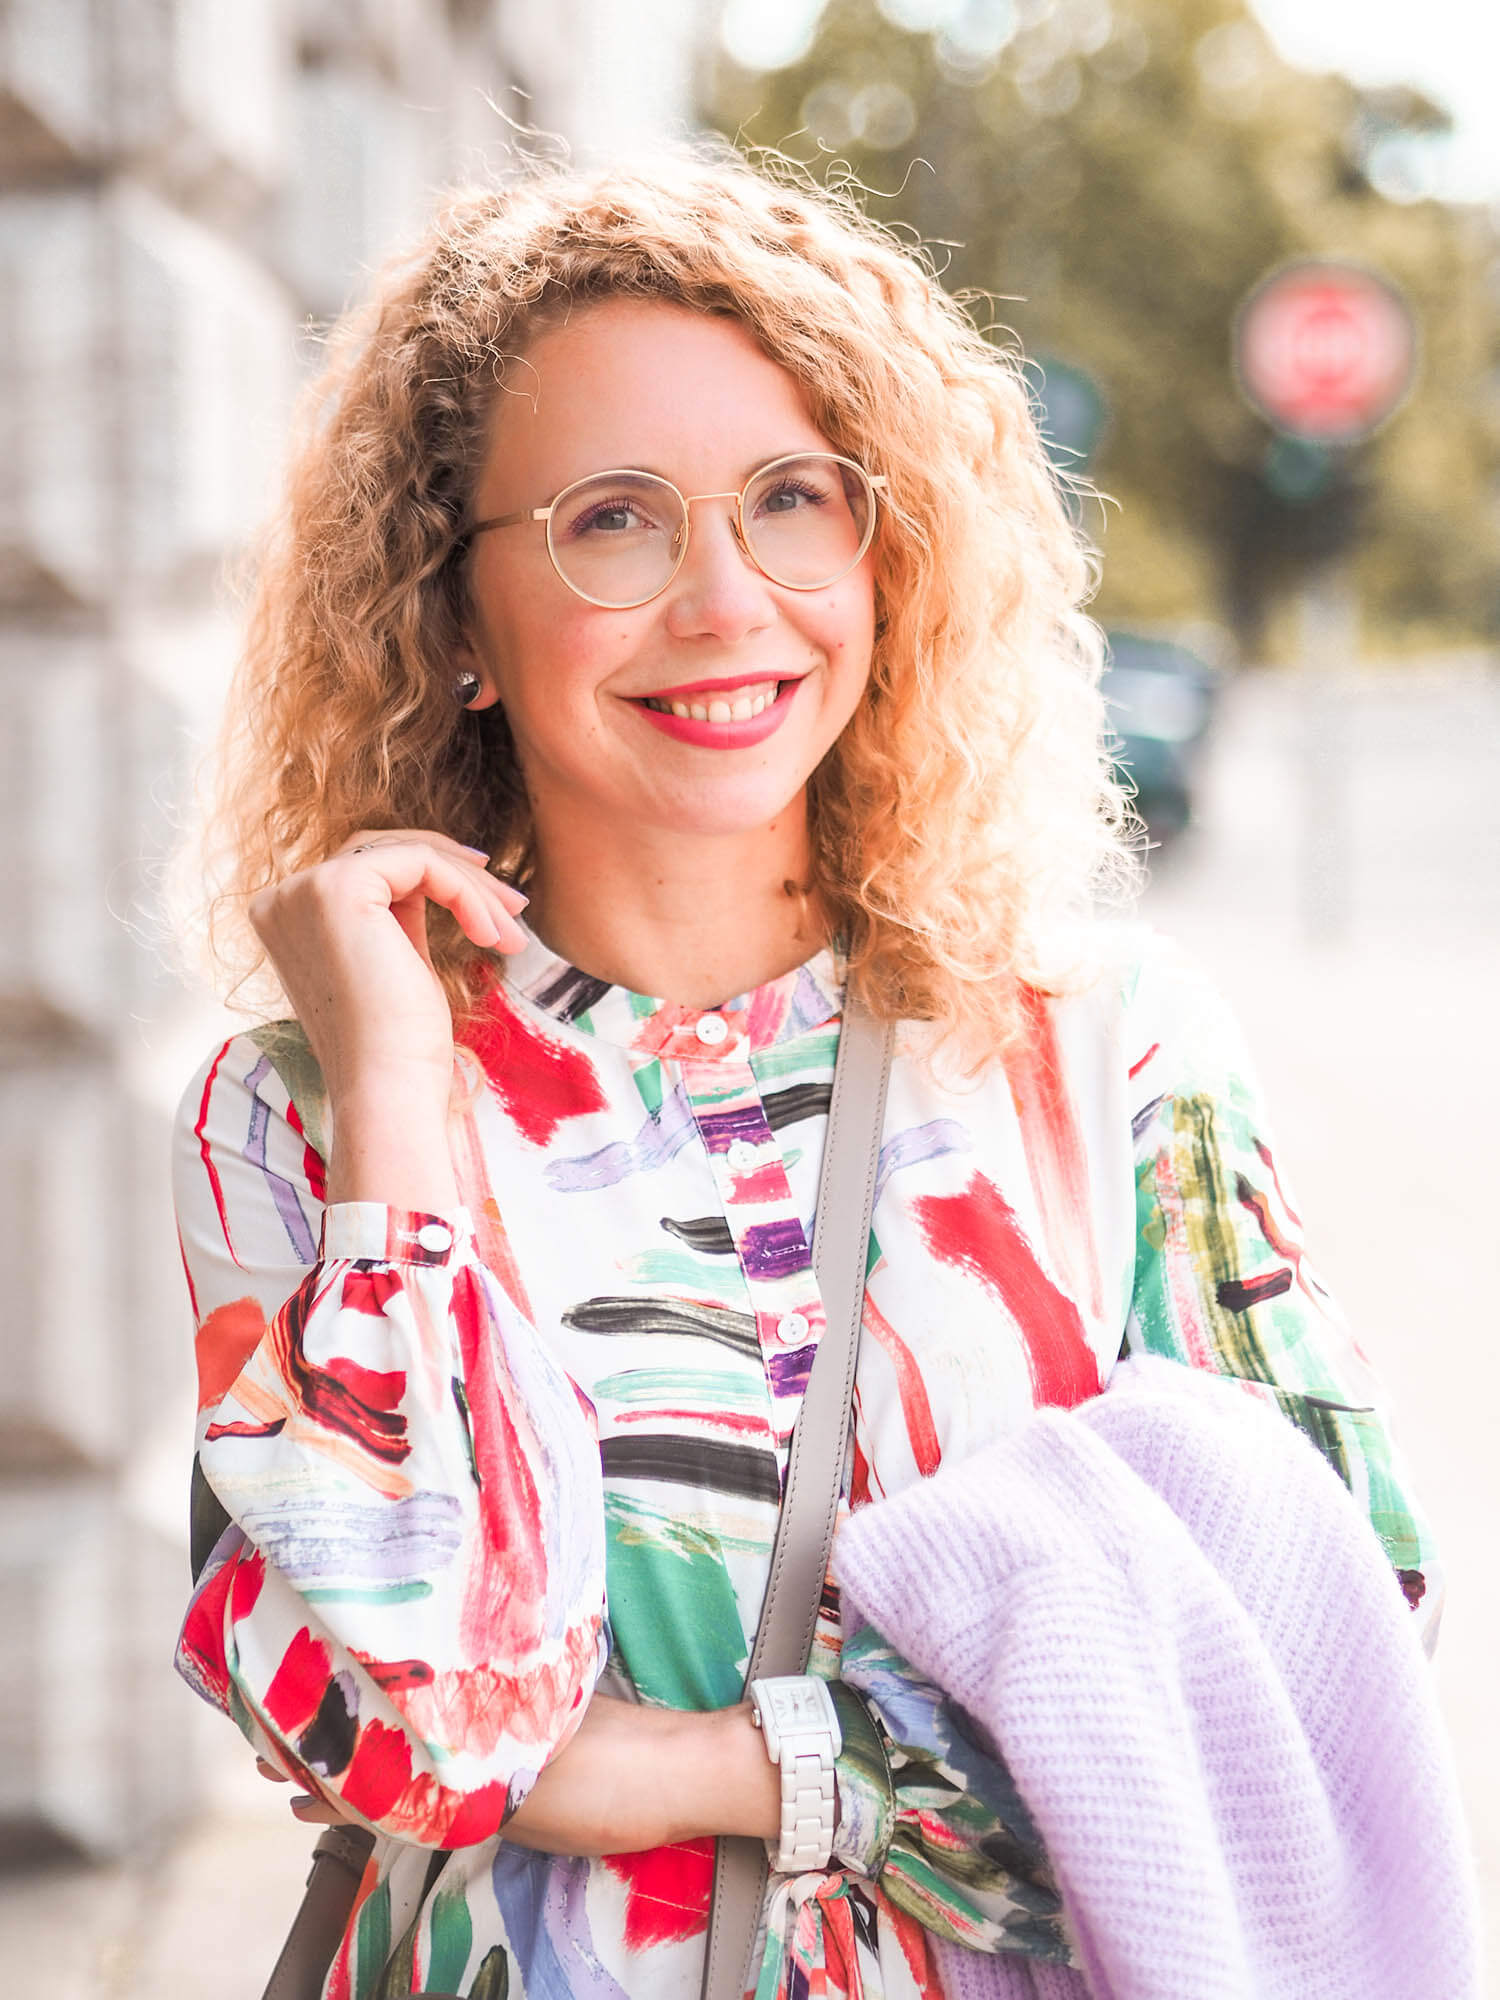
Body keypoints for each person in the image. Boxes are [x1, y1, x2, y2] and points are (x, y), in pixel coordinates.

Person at [172, 151, 1438, 2000]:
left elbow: (1320, 1679)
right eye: (614, 520)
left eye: (791, 499)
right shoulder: (296, 1111)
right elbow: (410, 1735)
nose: (726, 601)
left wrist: (706, 1767)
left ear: (884, 544)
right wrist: (396, 1112)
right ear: (453, 621)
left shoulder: (1104, 1052)